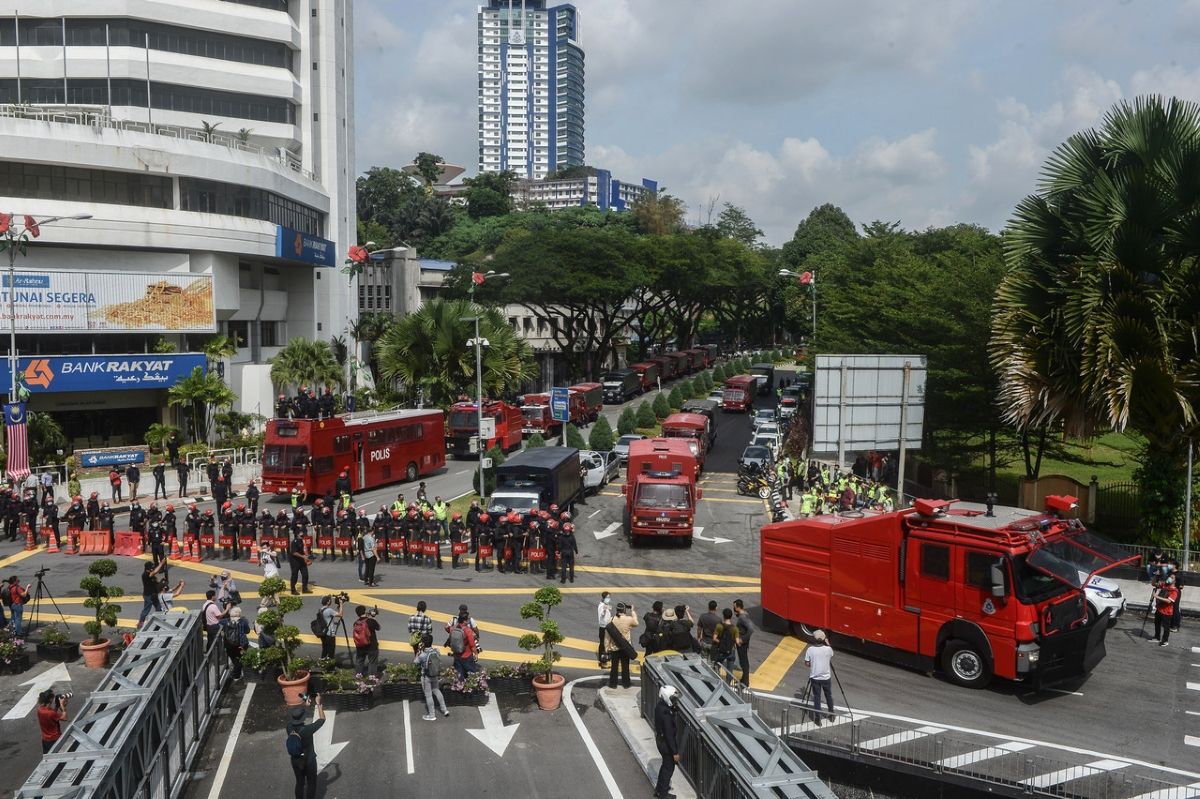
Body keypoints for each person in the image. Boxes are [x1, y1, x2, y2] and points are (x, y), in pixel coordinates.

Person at [287, 694, 325, 799]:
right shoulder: (308, 730)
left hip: (295, 760)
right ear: (303, 718)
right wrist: (318, 704)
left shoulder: (289, 727)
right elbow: (322, 719)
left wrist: (305, 706)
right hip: (309, 760)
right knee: (311, 784)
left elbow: (297, 717)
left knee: (299, 783)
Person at [653, 685, 681, 799]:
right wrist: (675, 752)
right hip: (666, 744)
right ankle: (663, 794)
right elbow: (669, 734)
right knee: (668, 768)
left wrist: (673, 709)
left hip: (661, 740)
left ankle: (659, 790)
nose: (675, 701)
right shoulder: (666, 714)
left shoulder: (660, 706)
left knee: (665, 766)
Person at [415, 633, 449, 720]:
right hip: (435, 675)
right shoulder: (436, 651)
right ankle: (444, 709)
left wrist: (419, 651)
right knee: (437, 691)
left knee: (428, 695)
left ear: (423, 643)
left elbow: (415, 662)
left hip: (427, 676)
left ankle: (432, 715)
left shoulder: (422, 655)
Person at [804, 629, 834, 725]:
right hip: (826, 677)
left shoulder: (810, 650)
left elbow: (807, 664)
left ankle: (817, 718)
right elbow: (831, 655)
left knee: (817, 697)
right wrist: (828, 643)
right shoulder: (828, 649)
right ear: (824, 639)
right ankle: (831, 714)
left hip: (815, 678)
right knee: (828, 695)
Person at [606, 602, 638, 689]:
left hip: (614, 647)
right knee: (625, 667)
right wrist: (632, 611)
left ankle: (613, 684)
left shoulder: (611, 619)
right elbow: (636, 623)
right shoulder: (628, 619)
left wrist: (607, 648)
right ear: (624, 610)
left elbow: (607, 636)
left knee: (614, 667)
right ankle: (626, 684)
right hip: (625, 647)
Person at [446, 611, 480, 680]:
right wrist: (476, 654)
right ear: (464, 621)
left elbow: (447, 629)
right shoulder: (467, 630)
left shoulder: (453, 628)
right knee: (472, 675)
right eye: (467, 619)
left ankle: (460, 688)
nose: (468, 621)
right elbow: (472, 645)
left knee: (459, 676)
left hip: (456, 655)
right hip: (467, 656)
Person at [352, 604, 381, 674]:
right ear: (364, 612)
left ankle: (358, 677)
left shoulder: (356, 623)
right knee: (372, 662)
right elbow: (378, 627)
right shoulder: (370, 621)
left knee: (359, 661)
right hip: (371, 646)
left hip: (360, 646)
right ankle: (371, 679)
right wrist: (372, 618)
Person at [733, 598, 756, 687]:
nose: (734, 608)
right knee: (743, 661)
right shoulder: (744, 614)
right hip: (742, 642)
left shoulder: (743, 617)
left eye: (735, 607)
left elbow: (751, 629)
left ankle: (745, 682)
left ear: (738, 607)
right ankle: (743, 679)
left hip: (742, 643)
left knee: (743, 662)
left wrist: (742, 640)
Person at [36, 689, 68, 754]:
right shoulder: (50, 713)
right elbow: (64, 718)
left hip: (45, 739)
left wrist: (57, 706)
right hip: (54, 739)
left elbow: (51, 715)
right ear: (50, 699)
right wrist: (62, 706)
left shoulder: (40, 709)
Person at [712, 608, 740, 679]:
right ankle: (728, 685)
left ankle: (717, 681)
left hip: (721, 649)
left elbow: (714, 638)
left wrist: (721, 642)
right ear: (731, 616)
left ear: (723, 616)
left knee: (716, 667)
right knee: (730, 671)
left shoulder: (719, 626)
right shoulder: (735, 628)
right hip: (731, 650)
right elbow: (737, 642)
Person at [224, 606, 251, 680]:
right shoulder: (243, 621)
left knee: (234, 659)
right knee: (240, 659)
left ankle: (236, 672)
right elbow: (247, 631)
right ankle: (237, 674)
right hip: (241, 644)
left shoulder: (226, 621)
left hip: (229, 645)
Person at [1152, 575, 1179, 647]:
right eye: (1170, 577)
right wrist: (1155, 576)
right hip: (1159, 609)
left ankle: (1165, 641)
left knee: (1166, 627)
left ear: (1175, 581)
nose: (1170, 578)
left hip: (1167, 612)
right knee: (1156, 623)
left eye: (1172, 578)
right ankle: (1157, 637)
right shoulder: (1165, 585)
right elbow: (1154, 584)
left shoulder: (1174, 590)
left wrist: (1157, 596)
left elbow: (1169, 601)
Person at [138, 560, 167, 626]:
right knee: (147, 609)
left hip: (154, 594)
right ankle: (140, 622)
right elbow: (155, 572)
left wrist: (163, 582)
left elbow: (157, 582)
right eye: (151, 567)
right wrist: (161, 564)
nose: (153, 568)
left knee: (159, 607)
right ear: (148, 568)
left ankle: (159, 620)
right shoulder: (145, 574)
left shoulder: (152, 575)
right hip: (148, 595)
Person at [289, 529, 312, 595]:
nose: (302, 536)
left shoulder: (302, 541)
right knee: (294, 575)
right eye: (301, 535)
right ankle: (293, 590)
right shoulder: (294, 542)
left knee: (305, 575)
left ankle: (305, 589)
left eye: (303, 535)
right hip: (294, 561)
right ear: (297, 535)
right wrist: (303, 557)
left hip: (301, 560)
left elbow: (304, 551)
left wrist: (307, 559)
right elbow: (294, 553)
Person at [319, 595, 342, 660]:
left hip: (323, 632)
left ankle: (323, 662)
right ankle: (330, 666)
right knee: (331, 650)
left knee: (325, 648)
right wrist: (341, 604)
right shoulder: (329, 610)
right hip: (330, 633)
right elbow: (340, 614)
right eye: (330, 600)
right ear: (328, 602)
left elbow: (326, 619)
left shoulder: (320, 610)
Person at [597, 591, 613, 664]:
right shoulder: (601, 606)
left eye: (609, 597)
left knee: (607, 642)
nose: (609, 599)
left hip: (607, 626)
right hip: (603, 627)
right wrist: (604, 609)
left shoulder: (606, 605)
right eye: (607, 597)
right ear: (603, 598)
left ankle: (606, 656)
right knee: (603, 643)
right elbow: (602, 615)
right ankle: (601, 657)